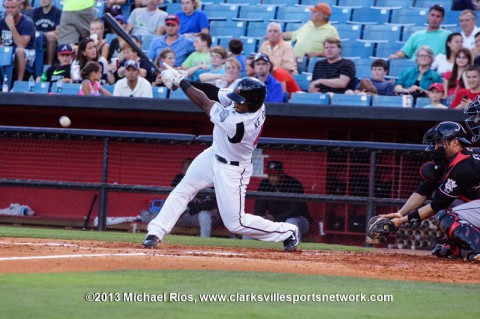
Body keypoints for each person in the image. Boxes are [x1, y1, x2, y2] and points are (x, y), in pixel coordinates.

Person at [143, 73, 300, 251]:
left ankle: (287, 231)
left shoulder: (241, 124)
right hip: (213, 154)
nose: (236, 103)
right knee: (183, 189)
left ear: (253, 104)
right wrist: (182, 81)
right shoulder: (247, 102)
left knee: (235, 223)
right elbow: (213, 91)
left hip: (233, 169)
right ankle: (155, 232)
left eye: (240, 101)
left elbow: (204, 102)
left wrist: (181, 82)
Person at [380, 121, 480, 263]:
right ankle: (457, 247)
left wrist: (401, 221)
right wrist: (400, 213)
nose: (435, 147)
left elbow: (436, 206)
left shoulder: (464, 166)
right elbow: (425, 190)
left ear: (454, 143)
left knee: (445, 215)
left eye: (440, 143)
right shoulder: (450, 162)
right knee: (448, 204)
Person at [253, 160, 312, 241]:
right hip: (274, 220)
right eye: (270, 175)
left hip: (299, 220)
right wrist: (261, 218)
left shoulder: (293, 184)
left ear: (282, 174)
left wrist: (275, 218)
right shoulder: (264, 184)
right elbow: (258, 206)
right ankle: (244, 250)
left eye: (275, 175)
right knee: (253, 224)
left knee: (290, 223)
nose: (272, 178)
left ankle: (293, 248)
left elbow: (295, 210)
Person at [171, 158, 221, 238]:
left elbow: (209, 204)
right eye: (185, 169)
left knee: (204, 214)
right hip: (189, 216)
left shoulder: (207, 179)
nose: (187, 171)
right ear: (181, 169)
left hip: (208, 217)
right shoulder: (178, 179)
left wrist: (193, 201)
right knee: (174, 210)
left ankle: (204, 240)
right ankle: (164, 238)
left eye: (189, 168)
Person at [0, 0, 36, 82]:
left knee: (19, 51)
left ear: (19, 8)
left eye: (12, 7)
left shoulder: (27, 22)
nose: (9, 10)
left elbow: (22, 44)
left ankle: (18, 83)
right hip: (7, 52)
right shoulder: (2, 22)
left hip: (26, 53)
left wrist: (12, 26)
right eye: (7, 7)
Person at [31, 0, 62, 66]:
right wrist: (43, 34)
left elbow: (58, 31)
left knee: (50, 36)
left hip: (53, 39)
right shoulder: (35, 11)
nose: (43, 0)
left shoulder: (58, 12)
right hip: (37, 38)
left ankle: (48, 65)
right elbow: (32, 30)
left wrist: (43, 34)